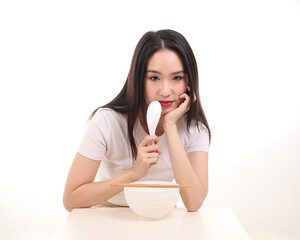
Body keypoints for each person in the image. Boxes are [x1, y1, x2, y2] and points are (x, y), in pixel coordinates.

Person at [63, 29, 211, 212]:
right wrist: (133, 173)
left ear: (189, 80)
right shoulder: (107, 122)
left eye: (177, 78)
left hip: (160, 216)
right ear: (139, 79)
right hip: (109, 216)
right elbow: (71, 199)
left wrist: (170, 126)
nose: (165, 90)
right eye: (154, 78)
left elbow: (194, 202)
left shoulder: (195, 130)